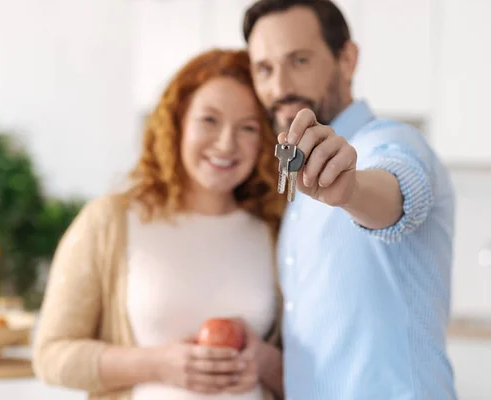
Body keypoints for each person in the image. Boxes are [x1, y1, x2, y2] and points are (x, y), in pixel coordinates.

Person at [33, 49, 287, 400]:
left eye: (247, 128)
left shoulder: (274, 231)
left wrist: (266, 363)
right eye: (209, 121)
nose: (227, 143)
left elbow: (320, 374)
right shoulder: (110, 221)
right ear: (178, 121)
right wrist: (156, 364)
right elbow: (51, 356)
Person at [242, 0, 457, 399]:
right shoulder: (297, 183)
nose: (280, 87)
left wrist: (353, 190)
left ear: (347, 59)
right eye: (265, 69)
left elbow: (398, 190)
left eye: (299, 60)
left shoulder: (391, 143)